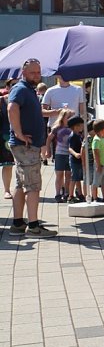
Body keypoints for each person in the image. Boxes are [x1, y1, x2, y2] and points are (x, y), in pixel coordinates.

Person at [7, 59, 57, 238]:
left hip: (24, 145)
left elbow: (30, 112)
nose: (36, 75)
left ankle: (18, 223)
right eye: (32, 73)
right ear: (23, 72)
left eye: (38, 72)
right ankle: (34, 226)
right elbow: (12, 108)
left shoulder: (28, 90)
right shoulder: (21, 89)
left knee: (21, 184)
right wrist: (19, 133)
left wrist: (51, 113)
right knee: (33, 186)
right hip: (25, 145)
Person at [45, 108, 74, 202]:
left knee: (69, 174)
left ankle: (66, 192)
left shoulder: (73, 128)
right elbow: (49, 139)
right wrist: (48, 150)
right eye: (67, 117)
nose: (69, 119)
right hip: (60, 153)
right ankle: (58, 193)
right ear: (62, 118)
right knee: (59, 174)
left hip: (70, 154)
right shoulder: (57, 128)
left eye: (71, 117)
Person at [0, 79, 16, 199]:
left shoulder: (24, 98)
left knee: (23, 164)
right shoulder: (1, 101)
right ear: (8, 86)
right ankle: (7, 190)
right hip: (5, 135)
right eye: (13, 84)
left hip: (24, 135)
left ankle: (23, 189)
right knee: (8, 164)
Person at [90, 119, 104, 204]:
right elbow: (96, 152)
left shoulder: (103, 139)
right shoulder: (96, 140)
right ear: (102, 129)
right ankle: (94, 197)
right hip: (100, 165)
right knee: (96, 182)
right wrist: (98, 165)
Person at [66, 116, 86, 203]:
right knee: (74, 178)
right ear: (75, 126)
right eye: (81, 126)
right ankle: (70, 196)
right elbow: (69, 148)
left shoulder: (79, 136)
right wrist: (75, 154)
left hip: (79, 160)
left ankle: (80, 193)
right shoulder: (72, 136)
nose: (82, 128)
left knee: (78, 178)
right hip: (74, 160)